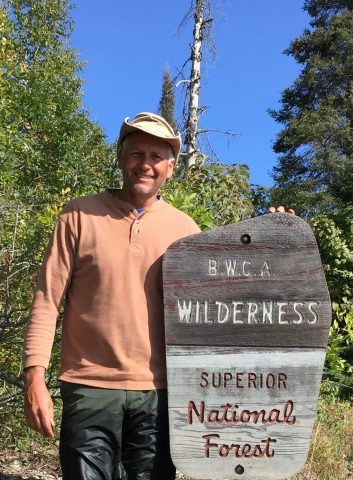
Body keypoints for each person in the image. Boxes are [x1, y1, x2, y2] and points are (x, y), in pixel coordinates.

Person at [23, 112, 201, 480]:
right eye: (136, 153)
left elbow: (208, 310)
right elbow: (47, 299)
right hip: (89, 387)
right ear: (121, 158)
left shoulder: (186, 231)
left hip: (159, 391)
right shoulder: (78, 216)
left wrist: (276, 240)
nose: (145, 164)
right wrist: (34, 378)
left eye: (156, 156)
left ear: (170, 167)